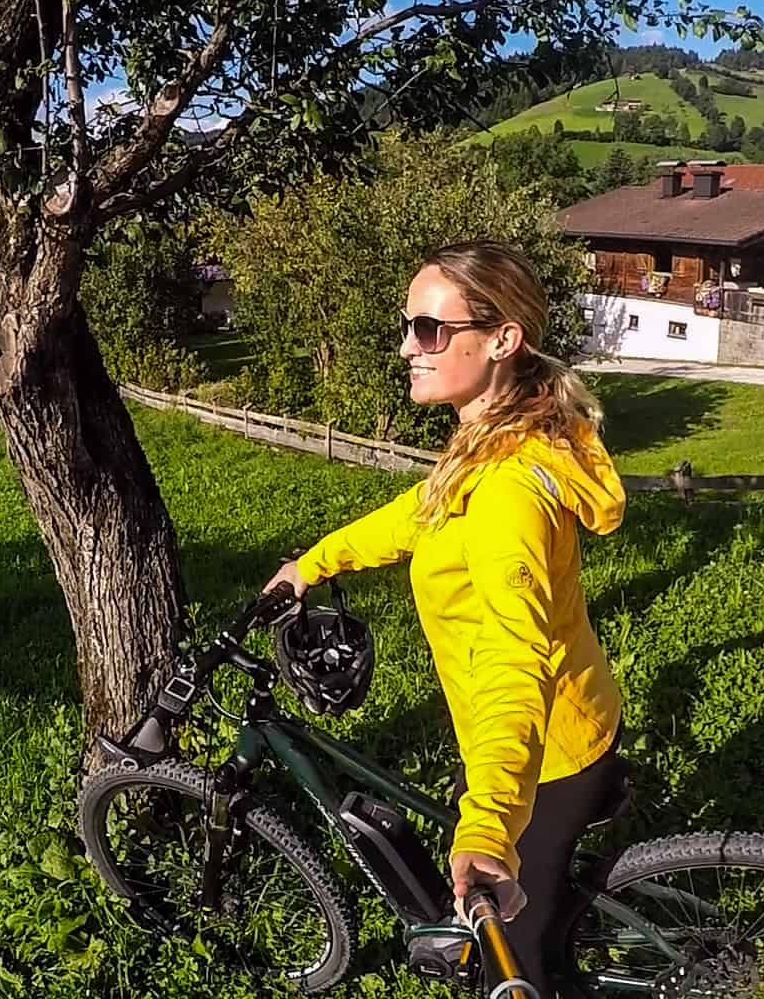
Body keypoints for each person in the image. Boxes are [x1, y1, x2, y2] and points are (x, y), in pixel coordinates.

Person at [262, 240, 627, 997]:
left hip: (541, 751)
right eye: (408, 326)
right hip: (554, 719)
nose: (406, 347)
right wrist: (317, 562)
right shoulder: (490, 433)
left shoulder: (506, 493)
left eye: (429, 331)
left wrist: (489, 824)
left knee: (510, 966)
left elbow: (513, 659)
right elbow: (421, 514)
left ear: (502, 340)